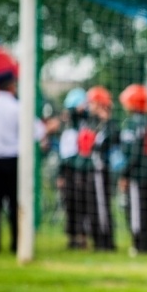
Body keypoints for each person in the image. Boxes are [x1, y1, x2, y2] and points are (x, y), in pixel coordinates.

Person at [0, 70, 55, 254]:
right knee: (16, 204)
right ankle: (18, 244)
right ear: (12, 86)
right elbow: (39, 132)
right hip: (14, 162)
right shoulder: (19, 108)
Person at [118, 83, 147, 254]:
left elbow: (133, 152)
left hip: (137, 174)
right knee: (146, 209)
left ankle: (139, 244)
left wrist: (124, 174)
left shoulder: (131, 124)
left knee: (135, 210)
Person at [82, 85, 119, 251]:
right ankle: (97, 239)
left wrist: (107, 120)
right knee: (92, 205)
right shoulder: (94, 123)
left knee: (102, 205)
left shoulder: (110, 124)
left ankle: (106, 241)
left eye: (93, 103)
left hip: (102, 170)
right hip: (92, 169)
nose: (90, 107)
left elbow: (111, 142)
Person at [57, 87, 90, 249]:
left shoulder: (87, 124)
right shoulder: (68, 127)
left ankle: (83, 236)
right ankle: (72, 237)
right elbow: (64, 153)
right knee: (69, 203)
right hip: (69, 169)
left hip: (82, 169)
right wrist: (61, 175)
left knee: (81, 203)